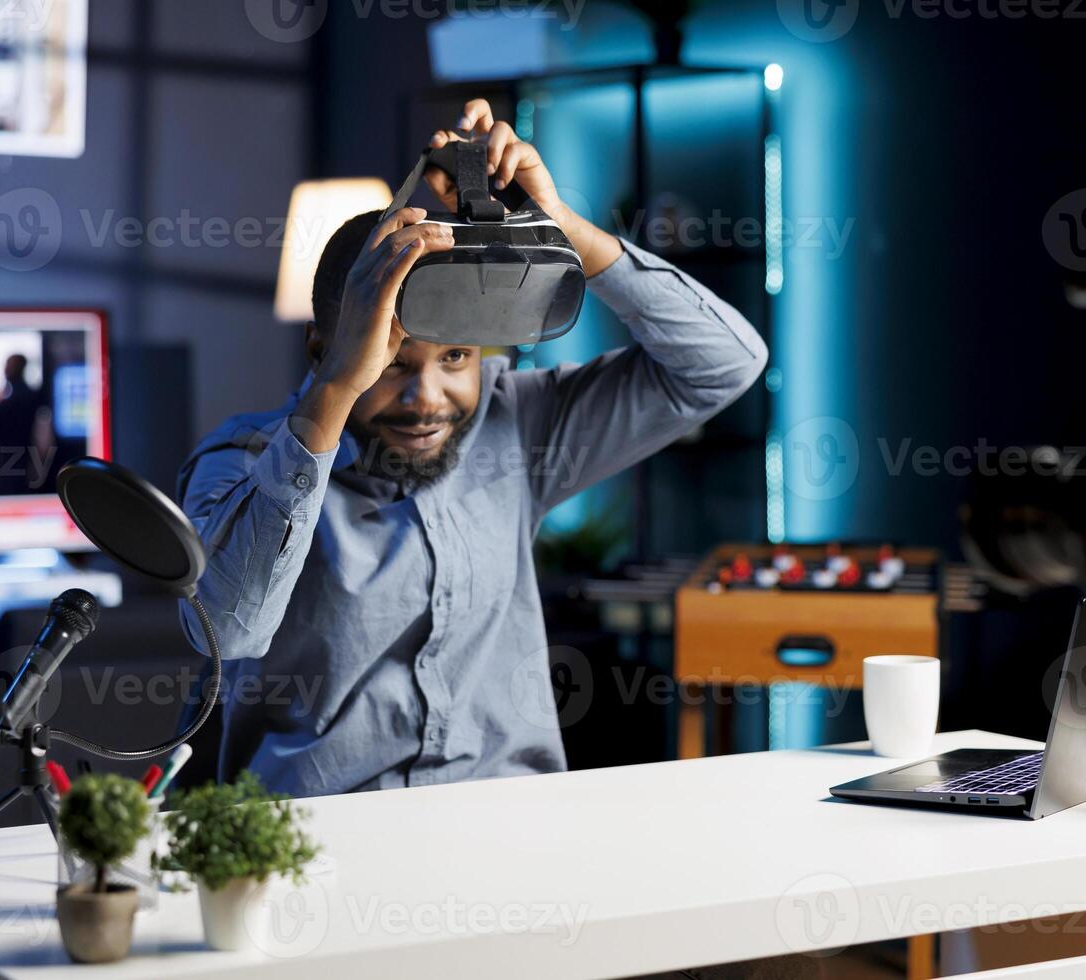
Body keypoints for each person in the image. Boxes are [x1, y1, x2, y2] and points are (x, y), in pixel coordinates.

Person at [177, 99, 767, 797]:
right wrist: (338, 389)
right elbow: (223, 629)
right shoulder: (243, 460)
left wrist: (567, 231)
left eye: (455, 356)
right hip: (326, 847)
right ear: (322, 353)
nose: (427, 397)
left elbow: (726, 362)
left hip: (512, 831)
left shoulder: (514, 421)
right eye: (393, 362)